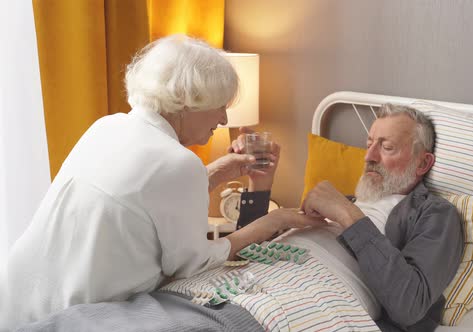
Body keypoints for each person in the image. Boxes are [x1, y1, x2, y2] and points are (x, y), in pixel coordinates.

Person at [0, 34, 323, 330]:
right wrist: (273, 220)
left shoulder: (108, 127)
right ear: (188, 101)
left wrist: (213, 174)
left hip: (21, 297)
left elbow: (144, 199)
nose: (223, 119)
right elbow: (192, 264)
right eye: (220, 105)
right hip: (77, 314)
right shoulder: (178, 164)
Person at [293, 104, 464, 332]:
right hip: (262, 282)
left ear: (423, 163)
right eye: (369, 144)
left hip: (308, 310)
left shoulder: (436, 214)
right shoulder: (346, 201)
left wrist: (347, 215)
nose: (369, 156)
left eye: (387, 147)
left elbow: (409, 305)